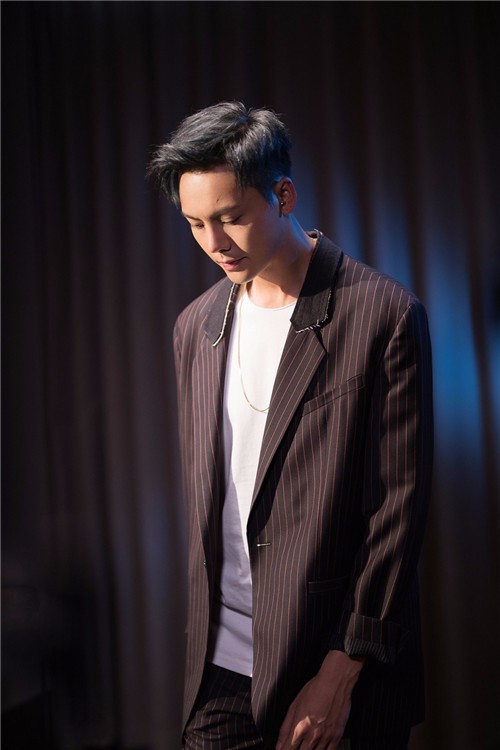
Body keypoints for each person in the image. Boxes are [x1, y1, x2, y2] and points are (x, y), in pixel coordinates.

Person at [148, 102, 433, 750]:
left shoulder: (383, 315)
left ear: (283, 195)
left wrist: (338, 674)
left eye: (230, 217)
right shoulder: (195, 327)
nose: (214, 242)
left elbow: (395, 517)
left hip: (334, 663)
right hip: (221, 670)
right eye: (195, 223)